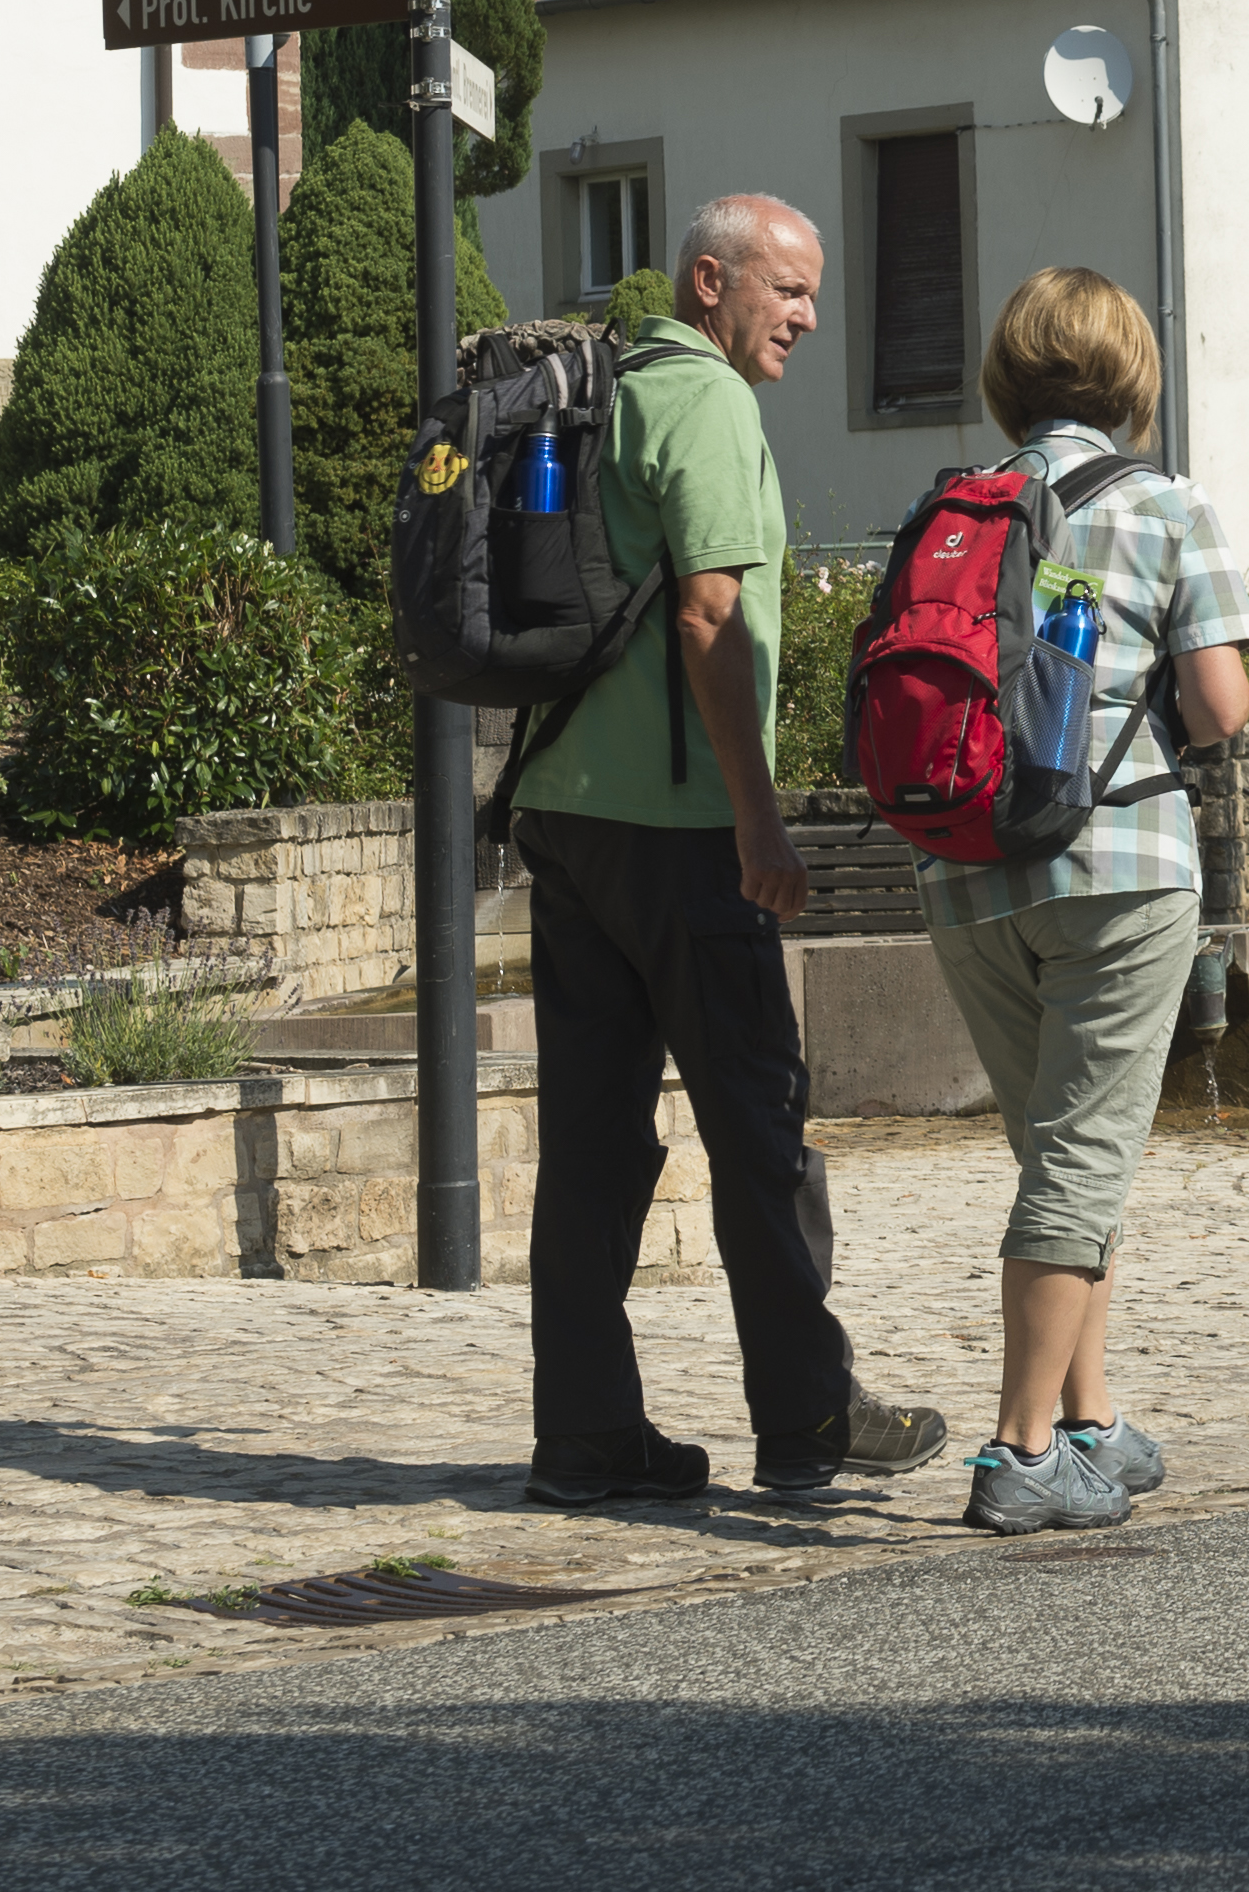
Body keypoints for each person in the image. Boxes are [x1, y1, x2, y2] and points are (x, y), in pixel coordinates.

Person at [504, 192, 945, 1510]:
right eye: (787, 290)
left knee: (592, 1141)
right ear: (711, 282)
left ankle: (586, 1435)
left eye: (813, 294)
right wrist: (758, 815)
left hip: (566, 810)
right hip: (681, 831)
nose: (807, 317)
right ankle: (808, 1418)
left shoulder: (607, 390)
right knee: (760, 1127)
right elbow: (709, 611)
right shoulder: (703, 402)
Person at [915, 266, 1249, 1534]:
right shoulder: (1164, 503)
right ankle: (1017, 1452)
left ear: (1009, 377)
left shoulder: (957, 505)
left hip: (965, 867)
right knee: (1078, 1159)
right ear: (1129, 376)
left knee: (1059, 1150)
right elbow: (1218, 709)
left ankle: (1088, 1421)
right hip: (1118, 865)